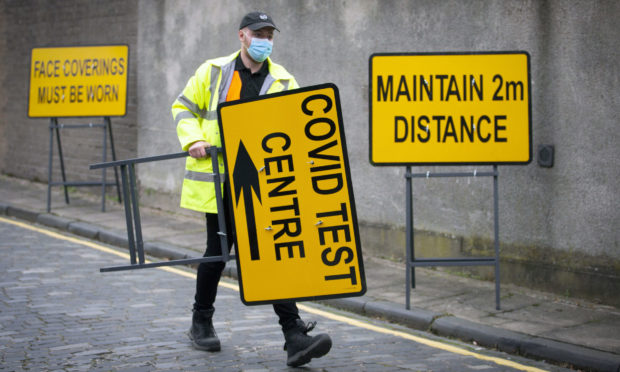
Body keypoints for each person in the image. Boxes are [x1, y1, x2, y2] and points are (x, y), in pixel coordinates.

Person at [171, 11, 332, 367]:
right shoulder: (213, 72)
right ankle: (201, 322)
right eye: (259, 33)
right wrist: (193, 139)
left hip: (266, 182)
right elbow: (183, 106)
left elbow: (297, 128)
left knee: (270, 252)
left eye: (270, 35)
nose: (265, 41)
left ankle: (294, 336)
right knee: (218, 250)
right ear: (242, 36)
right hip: (221, 181)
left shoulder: (284, 80)